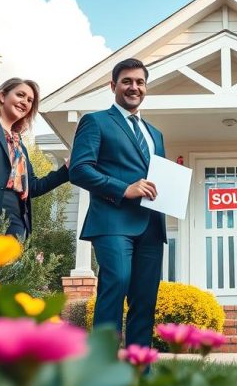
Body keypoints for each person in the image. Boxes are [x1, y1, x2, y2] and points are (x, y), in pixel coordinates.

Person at [70, 58, 166, 348]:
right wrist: (124, 189)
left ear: (145, 87)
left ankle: (140, 370)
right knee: (117, 283)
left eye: (139, 82)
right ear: (113, 86)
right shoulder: (95, 121)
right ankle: (104, 366)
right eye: (127, 81)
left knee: (145, 298)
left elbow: (156, 175)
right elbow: (80, 169)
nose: (133, 87)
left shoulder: (156, 134)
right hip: (112, 220)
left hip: (151, 225)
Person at [0, 78, 70, 240]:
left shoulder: (19, 145)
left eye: (30, 100)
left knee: (10, 265)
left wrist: (66, 170)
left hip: (17, 219)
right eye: (20, 95)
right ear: (2, 96)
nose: (25, 102)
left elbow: (33, 186)